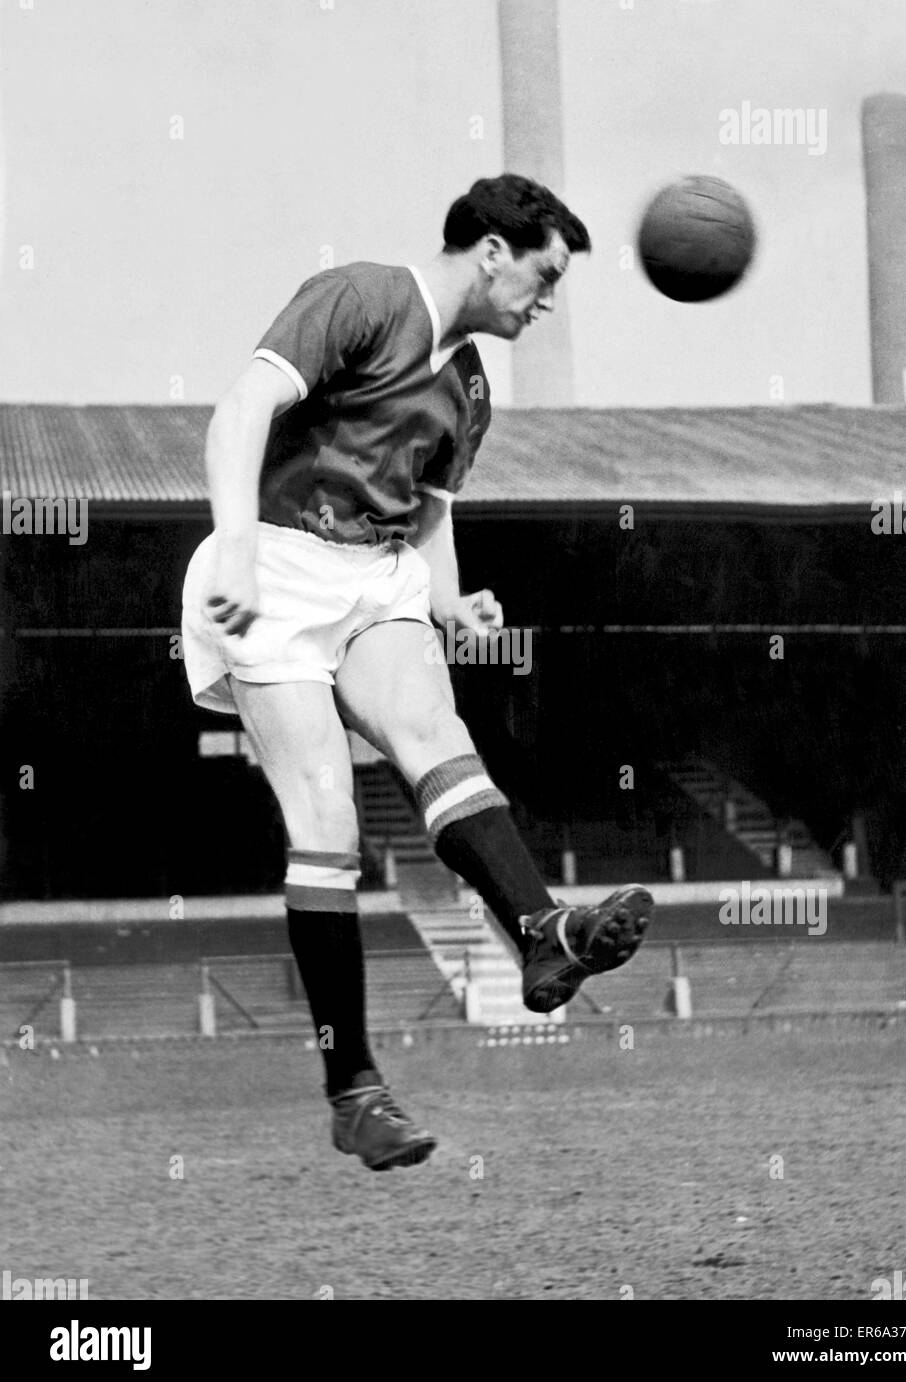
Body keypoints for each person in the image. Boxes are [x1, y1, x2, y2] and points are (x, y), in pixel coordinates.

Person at [181, 174, 653, 1172]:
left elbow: (431, 512)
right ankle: (354, 1089)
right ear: (492, 251)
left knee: (439, 739)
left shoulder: (471, 385)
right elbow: (239, 411)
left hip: (379, 575)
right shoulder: (361, 297)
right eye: (546, 273)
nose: (548, 298)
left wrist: (448, 599)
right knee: (327, 820)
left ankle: (542, 935)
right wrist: (230, 544)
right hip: (272, 559)